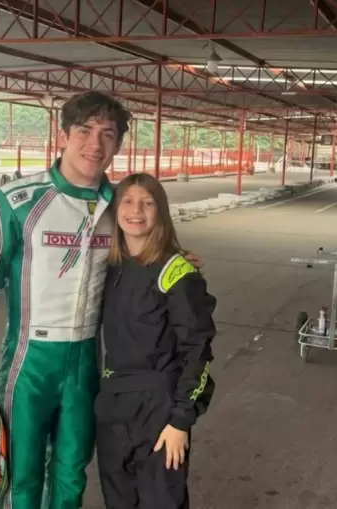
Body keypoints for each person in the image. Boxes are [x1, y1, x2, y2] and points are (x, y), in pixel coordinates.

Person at [0, 91, 202, 509]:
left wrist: (173, 258)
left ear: (118, 145)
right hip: (29, 361)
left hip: (87, 360)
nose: (95, 144)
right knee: (22, 473)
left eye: (107, 134)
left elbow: (146, 240)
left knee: (71, 474)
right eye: (84, 131)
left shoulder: (117, 205)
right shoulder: (17, 201)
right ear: (62, 134)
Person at [95, 172, 216, 509]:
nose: (136, 211)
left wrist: (180, 420)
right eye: (128, 201)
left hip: (158, 409)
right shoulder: (107, 268)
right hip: (113, 406)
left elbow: (197, 351)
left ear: (160, 211)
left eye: (147, 203)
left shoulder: (176, 272)